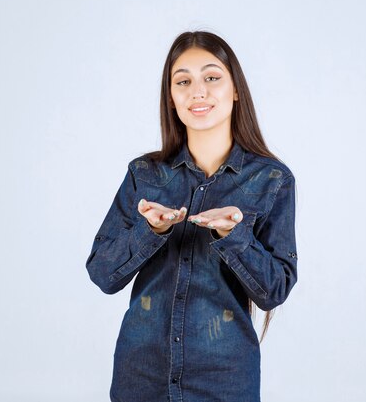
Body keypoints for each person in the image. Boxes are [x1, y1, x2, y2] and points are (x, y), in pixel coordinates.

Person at [86, 30, 298, 402]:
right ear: (171, 97)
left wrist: (233, 238)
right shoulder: (145, 174)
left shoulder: (271, 180)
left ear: (235, 90)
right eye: (182, 81)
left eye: (212, 77)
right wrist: (150, 231)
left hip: (224, 381)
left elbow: (274, 290)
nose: (197, 91)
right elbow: (102, 273)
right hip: (140, 376)